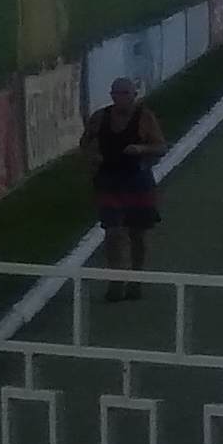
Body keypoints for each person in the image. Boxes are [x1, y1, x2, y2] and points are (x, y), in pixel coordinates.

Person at [85, 77, 167, 297]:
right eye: (117, 94)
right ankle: (116, 279)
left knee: (137, 234)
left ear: (134, 95)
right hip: (109, 182)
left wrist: (140, 149)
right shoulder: (100, 117)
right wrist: (94, 157)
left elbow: (160, 147)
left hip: (138, 182)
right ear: (111, 95)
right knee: (112, 232)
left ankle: (136, 279)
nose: (121, 98)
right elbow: (85, 143)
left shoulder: (145, 117)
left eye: (125, 94)